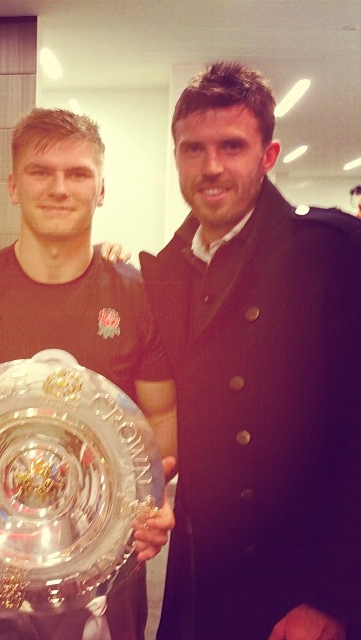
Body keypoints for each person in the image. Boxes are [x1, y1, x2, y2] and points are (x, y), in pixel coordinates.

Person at [0, 107, 177, 640]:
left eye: (77, 174)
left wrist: (148, 505)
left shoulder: (142, 298)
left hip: (104, 560)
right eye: (40, 171)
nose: (59, 188)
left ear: (101, 190)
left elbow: (161, 417)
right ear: (12, 185)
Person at [139, 61, 361, 640]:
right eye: (194, 149)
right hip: (198, 578)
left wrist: (335, 599)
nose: (211, 167)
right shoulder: (165, 271)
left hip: (297, 586)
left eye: (232, 146)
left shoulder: (332, 256)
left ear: (268, 156)